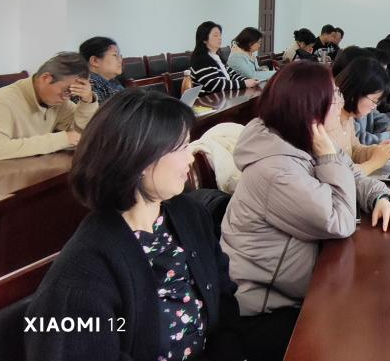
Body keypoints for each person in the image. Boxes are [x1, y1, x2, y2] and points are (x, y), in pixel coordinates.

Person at [26, 90, 244, 361]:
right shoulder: (83, 272)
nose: (190, 157)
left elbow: (223, 299)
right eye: (181, 147)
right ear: (139, 159)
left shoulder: (189, 214)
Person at [220, 62, 390, 361]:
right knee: (364, 336)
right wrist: (329, 158)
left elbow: (354, 177)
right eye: (334, 97)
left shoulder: (303, 138)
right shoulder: (276, 169)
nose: (341, 102)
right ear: (309, 108)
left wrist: (380, 198)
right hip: (263, 307)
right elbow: (339, 221)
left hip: (299, 286)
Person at [0, 52, 97, 162]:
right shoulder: (1, 101)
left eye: (73, 93)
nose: (66, 98)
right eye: (67, 91)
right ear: (46, 78)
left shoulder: (61, 102)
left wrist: (87, 101)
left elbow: (84, 135)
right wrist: (61, 139)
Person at [190, 21, 257, 94]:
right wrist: (244, 83)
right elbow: (214, 85)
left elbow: (232, 75)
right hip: (207, 99)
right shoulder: (201, 60)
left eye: (220, 35)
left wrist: (250, 81)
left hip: (223, 97)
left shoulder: (217, 58)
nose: (219, 38)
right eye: (215, 35)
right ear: (204, 39)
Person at [79, 36, 125, 103]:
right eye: (115, 55)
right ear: (95, 61)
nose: (120, 60)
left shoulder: (111, 81)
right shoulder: (90, 85)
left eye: (120, 56)